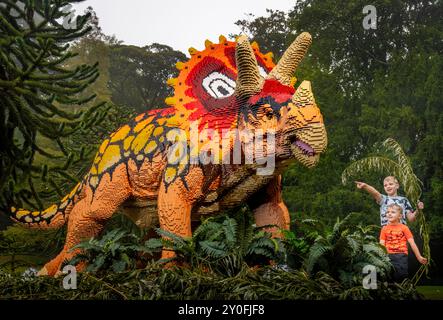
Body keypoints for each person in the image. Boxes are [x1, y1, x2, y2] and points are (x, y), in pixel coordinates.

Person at [380, 203, 427, 282]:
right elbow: (381, 244)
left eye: (393, 212)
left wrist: (419, 257)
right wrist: (380, 257)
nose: (389, 214)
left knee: (401, 276)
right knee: (388, 277)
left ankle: (402, 291)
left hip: (401, 255)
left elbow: (412, 243)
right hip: (387, 256)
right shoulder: (384, 229)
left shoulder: (404, 228)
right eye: (388, 212)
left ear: (400, 216)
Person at [355, 176, 424, 226]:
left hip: (401, 233)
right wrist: (365, 186)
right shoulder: (383, 199)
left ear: (397, 186)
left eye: (391, 184)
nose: (388, 186)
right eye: (385, 185)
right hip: (387, 232)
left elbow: (411, 219)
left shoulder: (404, 200)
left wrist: (418, 210)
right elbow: (375, 193)